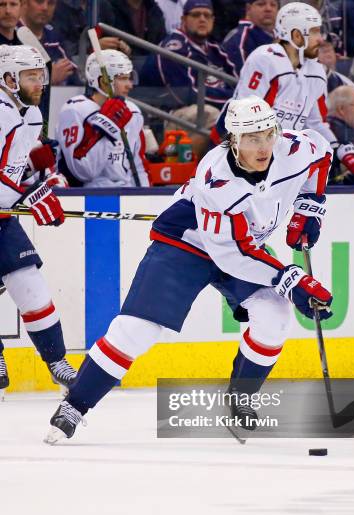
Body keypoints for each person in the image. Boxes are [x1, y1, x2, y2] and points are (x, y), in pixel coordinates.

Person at [44, 95, 333, 444]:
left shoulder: (294, 148)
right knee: (138, 329)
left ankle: (240, 399)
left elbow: (321, 153)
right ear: (233, 141)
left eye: (268, 135)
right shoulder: (217, 179)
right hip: (188, 242)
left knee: (274, 315)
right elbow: (232, 256)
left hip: (245, 244)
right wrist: (290, 279)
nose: (263, 147)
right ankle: (75, 405)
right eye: (252, 139)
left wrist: (309, 206)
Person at [0, 44, 76, 389]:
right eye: (31, 77)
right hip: (5, 205)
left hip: (2, 216)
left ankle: (56, 360)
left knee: (31, 287)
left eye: (41, 76)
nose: (40, 84)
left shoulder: (30, 115)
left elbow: (13, 169)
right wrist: (31, 196)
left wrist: (39, 176)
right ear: (8, 79)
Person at [212, 2, 337, 152]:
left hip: (275, 149)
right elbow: (245, 114)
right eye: (315, 32)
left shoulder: (316, 71)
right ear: (297, 35)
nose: (321, 39)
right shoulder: (266, 59)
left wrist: (337, 150)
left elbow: (316, 123)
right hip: (235, 145)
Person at [56, 50, 150, 188]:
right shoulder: (74, 110)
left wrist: (145, 198)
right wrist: (107, 128)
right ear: (103, 81)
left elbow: (139, 166)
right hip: (85, 198)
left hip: (127, 195)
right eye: (123, 78)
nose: (129, 85)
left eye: (129, 78)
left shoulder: (132, 111)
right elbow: (83, 172)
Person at [140, 0, 237, 110]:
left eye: (207, 15)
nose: (202, 19)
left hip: (217, 107)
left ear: (213, 20)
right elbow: (187, 95)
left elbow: (238, 83)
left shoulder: (216, 49)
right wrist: (233, 98)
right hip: (172, 114)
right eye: (196, 15)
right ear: (183, 20)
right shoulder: (173, 48)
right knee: (210, 112)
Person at [20, 0, 77, 85]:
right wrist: (47, 78)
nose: (45, 8)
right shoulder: (8, 34)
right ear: (24, 3)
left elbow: (74, 79)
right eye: (39, 2)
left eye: (51, 3)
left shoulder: (54, 37)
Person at [222, 0, 279, 73]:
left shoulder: (283, 38)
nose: (268, 9)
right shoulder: (239, 38)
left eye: (273, 5)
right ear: (248, 9)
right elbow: (242, 80)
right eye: (261, 4)